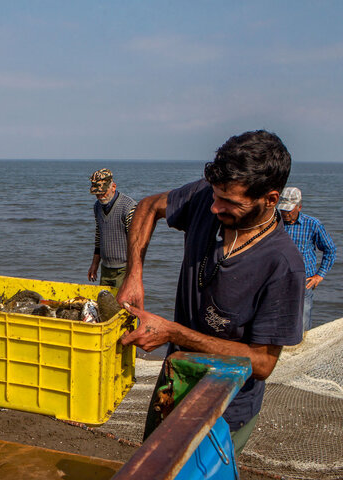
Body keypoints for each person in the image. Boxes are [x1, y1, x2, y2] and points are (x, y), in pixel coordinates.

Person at [116, 130, 305, 455]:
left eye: (229, 202)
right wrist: (134, 274)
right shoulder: (206, 197)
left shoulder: (283, 263)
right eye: (214, 195)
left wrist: (173, 332)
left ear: (271, 199)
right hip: (173, 383)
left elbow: (262, 363)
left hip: (224, 408)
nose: (214, 208)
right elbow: (147, 208)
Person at [278, 187, 336, 332]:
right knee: (277, 321)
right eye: (283, 210)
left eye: (289, 210)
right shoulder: (274, 224)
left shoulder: (313, 224)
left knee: (302, 322)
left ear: (299, 207)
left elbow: (330, 250)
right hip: (277, 280)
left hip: (304, 281)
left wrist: (319, 275)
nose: (285, 213)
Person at [87, 168, 137, 288]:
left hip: (124, 269)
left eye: (103, 193)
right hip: (106, 268)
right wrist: (95, 264)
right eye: (96, 194)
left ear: (113, 187)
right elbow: (99, 236)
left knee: (121, 304)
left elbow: (135, 243)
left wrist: (133, 273)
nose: (100, 197)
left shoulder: (128, 207)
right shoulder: (97, 207)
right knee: (103, 303)